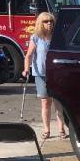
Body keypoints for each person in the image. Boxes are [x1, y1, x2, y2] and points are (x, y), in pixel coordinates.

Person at [23, 12, 67, 141]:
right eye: (45, 21)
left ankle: (61, 129)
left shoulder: (58, 37)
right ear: (40, 23)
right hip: (41, 74)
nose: (49, 24)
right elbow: (29, 55)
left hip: (56, 74)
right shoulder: (36, 38)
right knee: (45, 103)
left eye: (51, 21)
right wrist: (26, 69)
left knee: (58, 103)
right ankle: (46, 130)